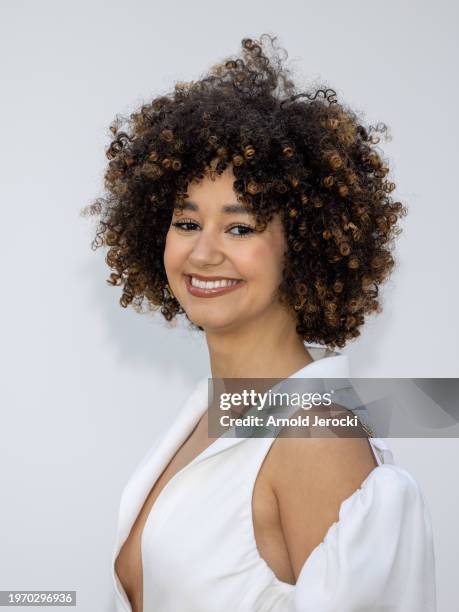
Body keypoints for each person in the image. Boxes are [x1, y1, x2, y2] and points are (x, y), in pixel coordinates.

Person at [82, 34, 436, 612]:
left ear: (303, 245)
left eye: (240, 227)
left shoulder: (316, 437)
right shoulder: (210, 416)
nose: (204, 253)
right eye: (187, 222)